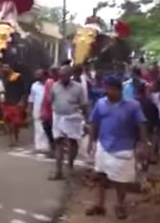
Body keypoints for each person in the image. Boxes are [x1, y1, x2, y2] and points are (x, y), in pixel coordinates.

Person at [86, 75, 150, 220]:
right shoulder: (101, 103)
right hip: (103, 145)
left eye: (110, 89)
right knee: (100, 176)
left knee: (120, 180)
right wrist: (91, 141)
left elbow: (142, 124)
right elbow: (94, 123)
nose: (107, 91)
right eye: (106, 88)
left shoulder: (133, 105)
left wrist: (143, 144)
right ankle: (99, 204)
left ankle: (120, 205)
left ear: (118, 90)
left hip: (123, 147)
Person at [49, 66, 88, 180]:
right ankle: (58, 171)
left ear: (70, 75)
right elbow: (51, 100)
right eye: (60, 75)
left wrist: (85, 120)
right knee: (58, 142)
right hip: (58, 116)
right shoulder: (55, 86)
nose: (62, 77)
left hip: (73, 117)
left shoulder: (78, 88)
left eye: (65, 75)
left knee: (72, 142)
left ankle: (70, 166)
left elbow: (84, 105)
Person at [0, 63, 26, 147]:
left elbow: (23, 90)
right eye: (3, 67)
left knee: (16, 123)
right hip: (6, 102)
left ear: (11, 68)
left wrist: (22, 100)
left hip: (16, 102)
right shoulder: (2, 78)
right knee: (7, 121)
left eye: (6, 67)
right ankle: (11, 139)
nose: (4, 69)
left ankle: (16, 135)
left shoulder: (17, 77)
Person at [28, 69, 50, 152]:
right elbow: (31, 98)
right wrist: (29, 109)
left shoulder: (50, 83)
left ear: (44, 75)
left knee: (46, 127)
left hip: (47, 108)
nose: (36, 76)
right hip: (37, 107)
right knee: (38, 126)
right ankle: (38, 146)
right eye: (36, 74)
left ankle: (47, 145)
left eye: (38, 74)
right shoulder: (34, 85)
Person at [41, 66, 60, 156]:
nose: (54, 74)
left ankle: (57, 149)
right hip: (48, 110)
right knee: (47, 128)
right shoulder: (49, 82)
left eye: (55, 72)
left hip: (58, 111)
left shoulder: (61, 83)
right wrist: (42, 110)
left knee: (57, 131)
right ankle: (52, 147)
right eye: (52, 72)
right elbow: (46, 98)